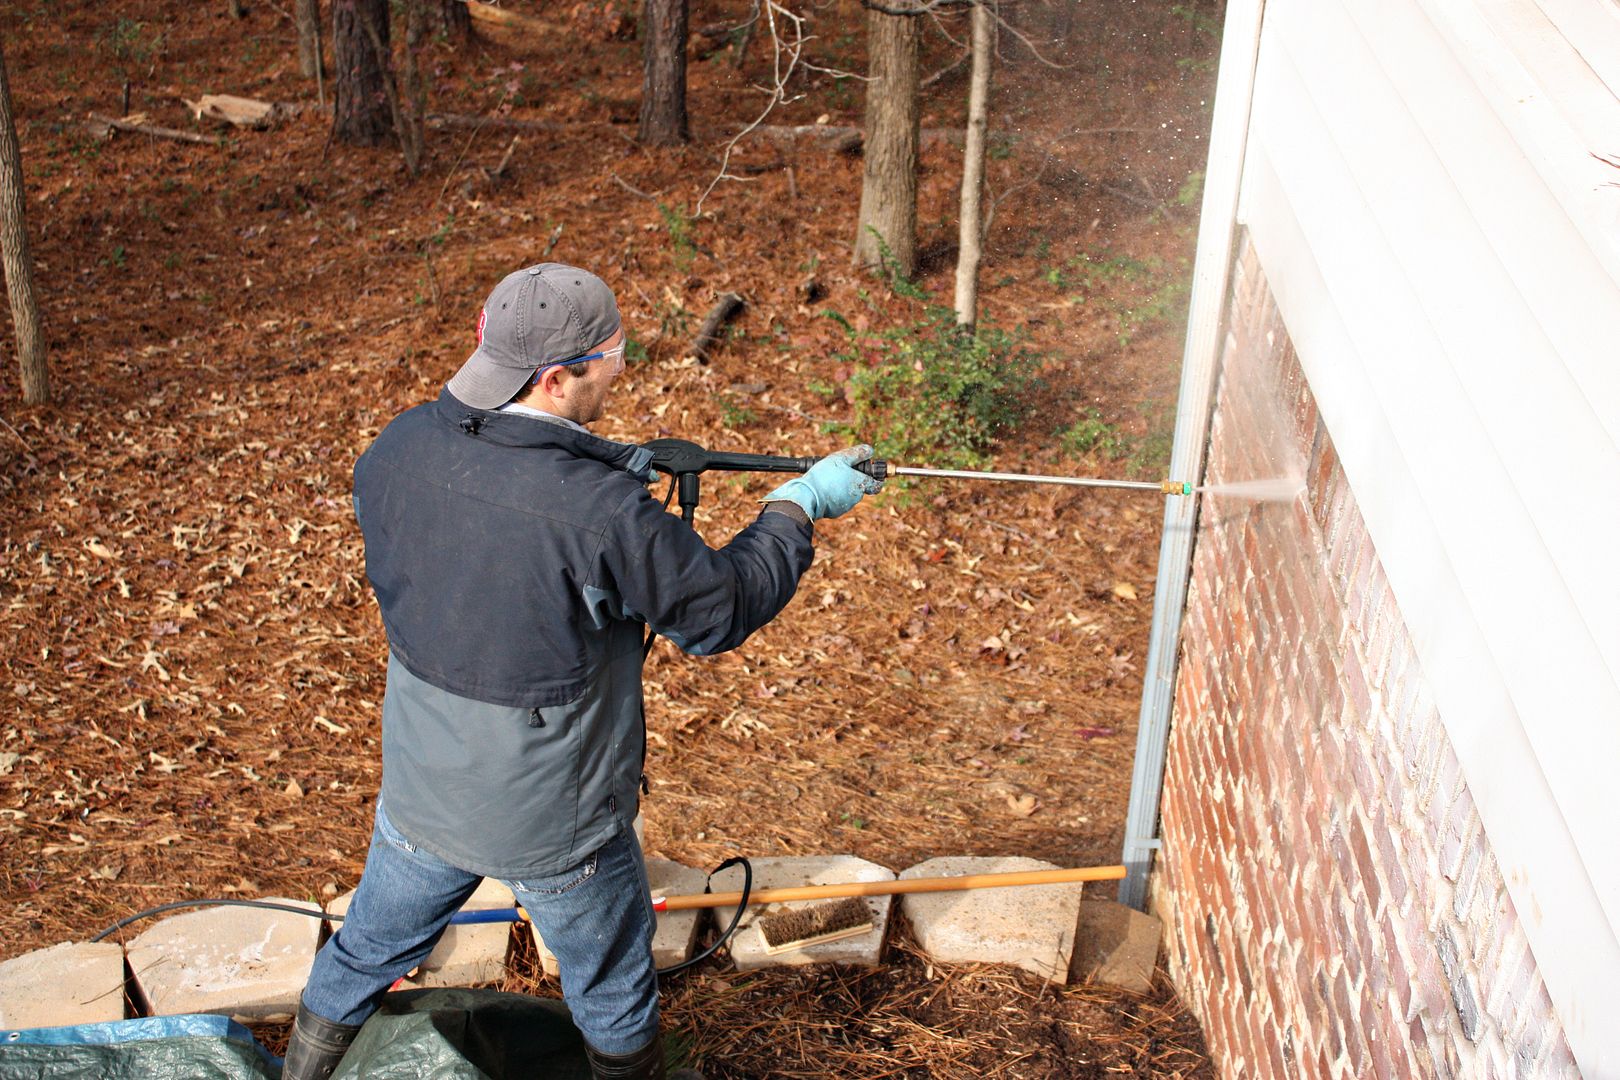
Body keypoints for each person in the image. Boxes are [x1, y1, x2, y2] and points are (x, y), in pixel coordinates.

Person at [282, 263, 883, 1080]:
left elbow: (499, 522)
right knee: (611, 986)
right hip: (555, 821)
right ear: (557, 378)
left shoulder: (398, 448)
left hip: (424, 793)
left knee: (363, 953)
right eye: (612, 357)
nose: (620, 372)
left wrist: (605, 464)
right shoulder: (598, 514)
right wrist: (797, 504)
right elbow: (720, 610)